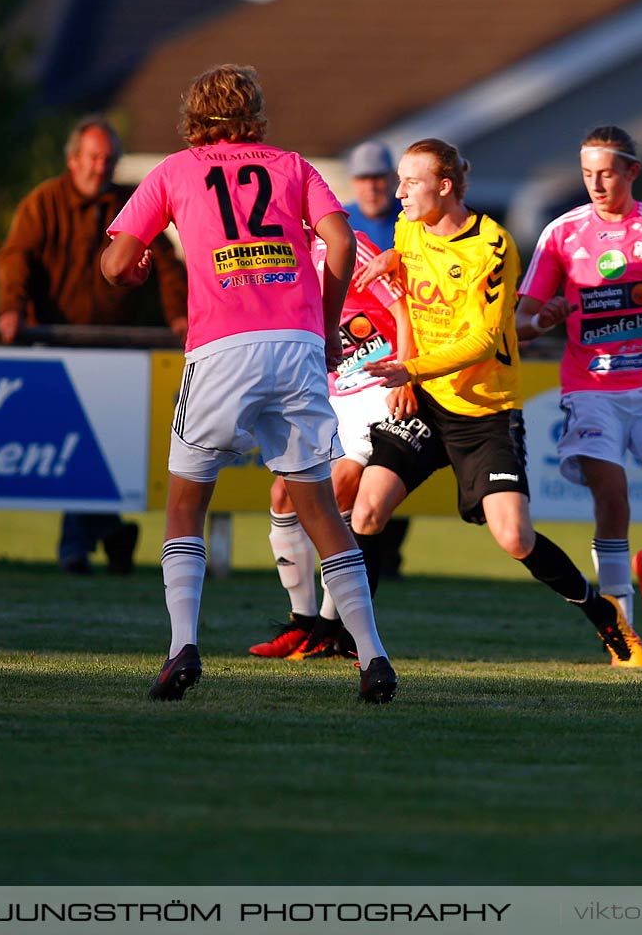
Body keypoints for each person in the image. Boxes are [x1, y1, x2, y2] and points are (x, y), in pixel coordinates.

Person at [100, 64, 396, 704]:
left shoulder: (175, 170)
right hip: (294, 345)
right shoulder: (291, 165)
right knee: (319, 508)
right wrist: (322, 321)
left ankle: (182, 647)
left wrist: (136, 268)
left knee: (186, 507)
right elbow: (341, 244)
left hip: (219, 348)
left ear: (194, 116)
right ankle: (371, 655)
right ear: (254, 113)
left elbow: (116, 263)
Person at [347, 138, 638, 665]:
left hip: (485, 412)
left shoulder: (493, 245)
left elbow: (482, 341)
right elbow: (410, 298)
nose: (399, 192)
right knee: (366, 512)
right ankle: (357, 644)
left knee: (514, 537)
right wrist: (410, 376)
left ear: (445, 185)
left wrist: (408, 367)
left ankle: (602, 614)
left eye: (410, 182)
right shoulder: (407, 226)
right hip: (426, 402)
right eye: (399, 182)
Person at [514, 126, 642, 661]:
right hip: (591, 390)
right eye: (587, 174)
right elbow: (518, 324)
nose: (596, 183)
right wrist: (544, 318)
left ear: (632, 171)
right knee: (613, 497)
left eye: (606, 172)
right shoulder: (561, 233)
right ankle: (621, 633)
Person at [0, 116, 188, 576]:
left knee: (82, 446)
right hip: (57, 343)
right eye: (93, 157)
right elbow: (16, 257)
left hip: (113, 347)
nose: (100, 167)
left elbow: (165, 263)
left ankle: (84, 546)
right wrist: (11, 308)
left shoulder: (129, 203)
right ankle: (99, 537)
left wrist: (181, 317)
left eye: (108, 159)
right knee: (75, 444)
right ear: (72, 160)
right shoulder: (43, 203)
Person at [249, 229, 417, 660]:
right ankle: (302, 623)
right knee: (283, 494)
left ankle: (328, 626)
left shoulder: (346, 242)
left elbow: (402, 308)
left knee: (339, 487)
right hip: (327, 392)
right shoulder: (269, 260)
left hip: (376, 389)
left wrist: (406, 373)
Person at [341, 139, 412, 579]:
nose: (373, 187)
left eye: (380, 178)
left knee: (395, 471)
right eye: (364, 179)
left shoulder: (408, 220)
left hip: (402, 359)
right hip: (353, 367)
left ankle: (388, 555)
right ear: (354, 182)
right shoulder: (341, 222)